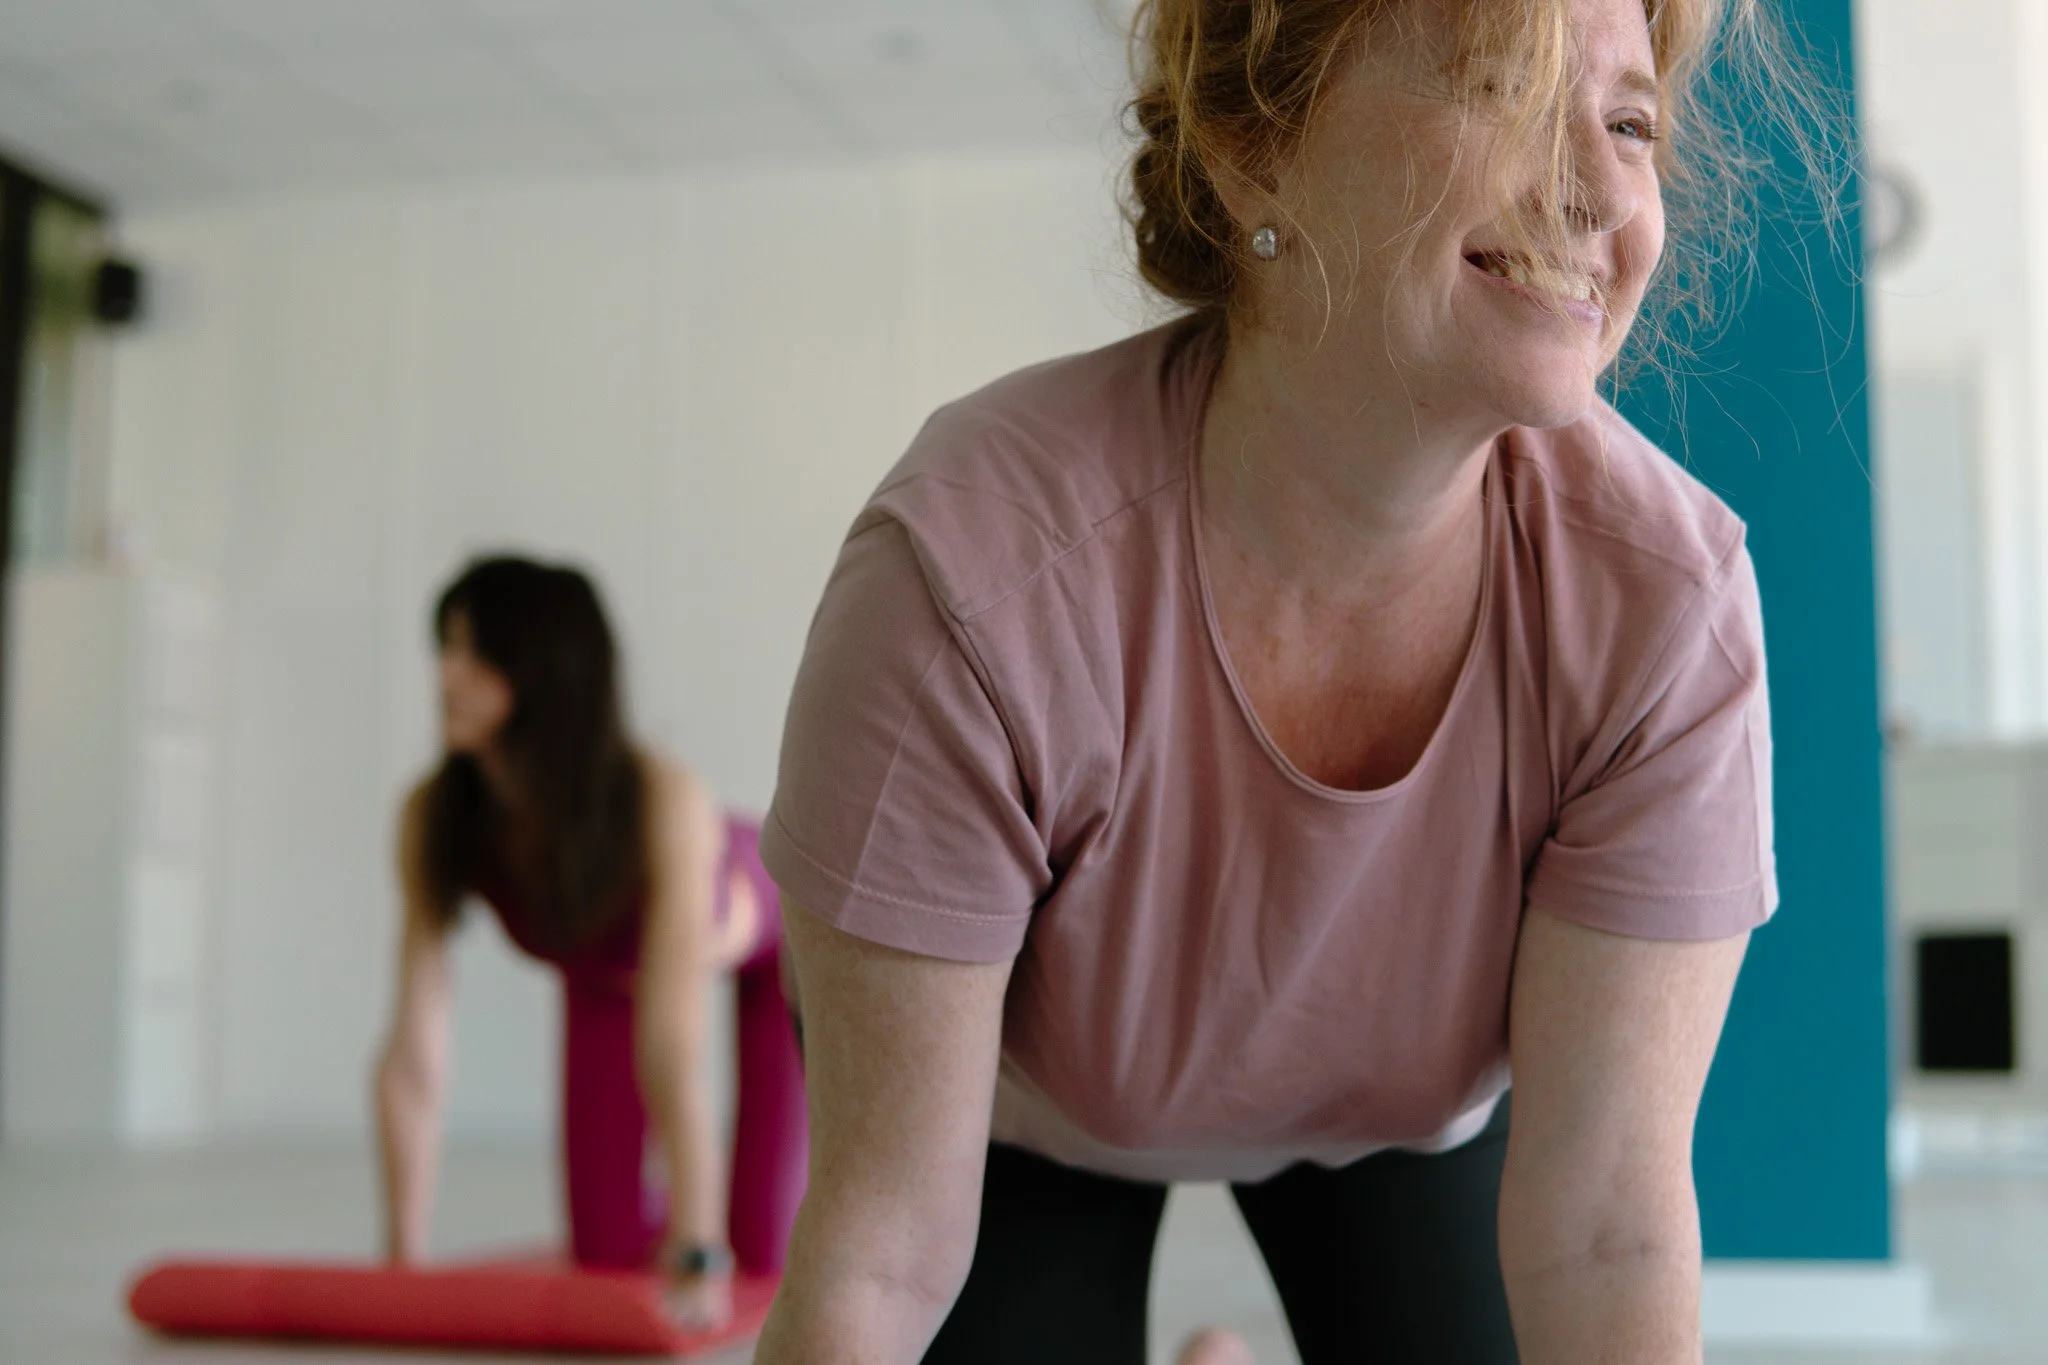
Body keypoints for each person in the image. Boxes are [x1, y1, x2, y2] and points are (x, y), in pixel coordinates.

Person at [753, 0, 1828, 1360]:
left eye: (1630, 122)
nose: (1607, 187)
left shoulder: (1665, 609)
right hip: (1025, 1110)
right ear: (1253, 149)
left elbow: (1606, 1221)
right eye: (1506, 88)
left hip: (1396, 1114)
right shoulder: (975, 579)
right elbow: (878, 1257)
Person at [373, 555, 806, 1331]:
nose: (445, 674)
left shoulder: (663, 802)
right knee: (603, 1256)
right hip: (607, 971)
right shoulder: (434, 818)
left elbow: (673, 1045)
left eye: (474, 653)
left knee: (762, 1250)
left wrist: (699, 1249)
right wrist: (403, 1261)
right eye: (446, 648)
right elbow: (414, 1050)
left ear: (546, 670)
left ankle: (714, 1218)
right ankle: (672, 1216)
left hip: (773, 949)